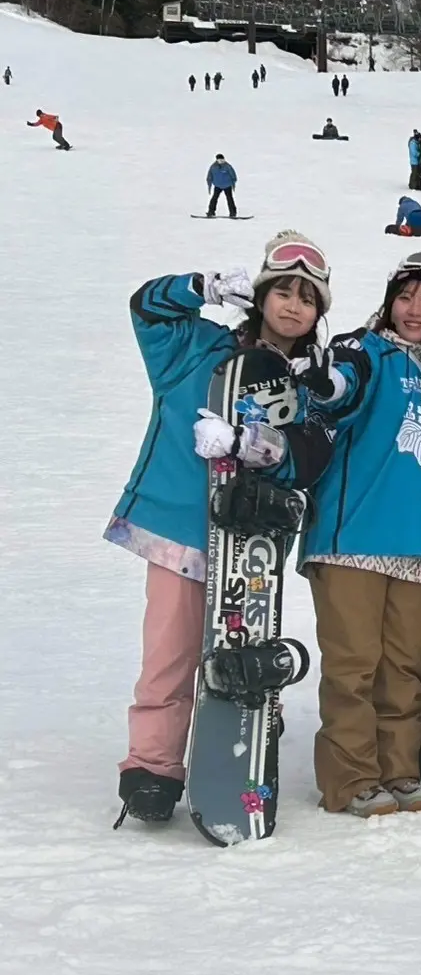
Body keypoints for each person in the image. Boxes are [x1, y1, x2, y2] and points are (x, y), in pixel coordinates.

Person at [106, 230, 335, 826]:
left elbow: (312, 456)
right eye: (282, 291)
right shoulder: (197, 348)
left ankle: (240, 742)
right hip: (181, 528)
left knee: (239, 651)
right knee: (170, 651)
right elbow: (145, 309)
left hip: (252, 541)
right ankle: (153, 767)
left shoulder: (310, 383)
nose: (292, 306)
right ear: (260, 296)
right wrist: (200, 288)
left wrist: (261, 447)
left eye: (307, 299)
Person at [296, 253, 421, 816]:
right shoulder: (365, 349)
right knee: (353, 666)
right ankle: (351, 776)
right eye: (406, 297)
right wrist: (328, 383)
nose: (415, 310)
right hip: (353, 538)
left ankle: (402, 768)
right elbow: (342, 386)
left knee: (408, 668)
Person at [205, 153, 237, 218]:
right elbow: (209, 176)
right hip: (217, 186)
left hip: (227, 185)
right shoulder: (213, 167)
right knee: (214, 198)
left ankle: (233, 213)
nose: (221, 161)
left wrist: (232, 182)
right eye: (220, 160)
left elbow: (233, 176)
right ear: (217, 160)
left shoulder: (228, 166)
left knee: (229, 199)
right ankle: (211, 212)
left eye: (222, 160)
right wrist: (209, 183)